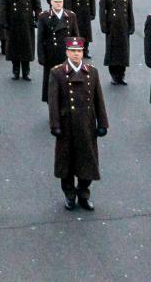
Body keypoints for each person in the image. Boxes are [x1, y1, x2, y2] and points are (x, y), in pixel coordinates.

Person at [49, 37, 108, 211]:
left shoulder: (92, 72)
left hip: (86, 125)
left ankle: (83, 193)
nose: (76, 54)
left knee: (87, 161)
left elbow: (99, 99)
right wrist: (55, 125)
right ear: (67, 52)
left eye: (79, 51)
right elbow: (53, 102)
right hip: (67, 125)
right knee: (66, 163)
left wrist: (102, 122)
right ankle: (69, 194)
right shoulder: (57, 73)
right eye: (73, 51)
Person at [0, 0, 41, 81]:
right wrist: (4, 21)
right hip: (13, 22)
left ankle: (26, 72)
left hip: (27, 23)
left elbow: (37, 5)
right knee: (14, 48)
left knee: (27, 48)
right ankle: (16, 71)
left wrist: (37, 19)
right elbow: (3, 5)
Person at [36, 0, 79, 102]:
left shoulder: (71, 16)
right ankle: (52, 107)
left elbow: (75, 37)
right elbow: (40, 39)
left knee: (67, 83)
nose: (58, 4)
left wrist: (77, 56)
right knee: (51, 83)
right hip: (51, 55)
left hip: (66, 56)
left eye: (60, 1)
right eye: (56, 1)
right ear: (51, 2)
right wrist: (41, 56)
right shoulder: (44, 17)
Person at [98, 0, 135, 85]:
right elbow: (102, 11)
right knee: (112, 51)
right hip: (112, 27)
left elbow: (130, 11)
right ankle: (114, 75)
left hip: (124, 27)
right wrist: (104, 26)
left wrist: (132, 25)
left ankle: (122, 75)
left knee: (123, 51)